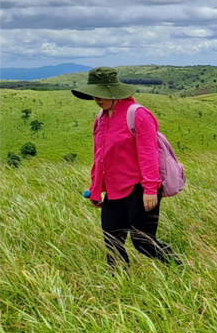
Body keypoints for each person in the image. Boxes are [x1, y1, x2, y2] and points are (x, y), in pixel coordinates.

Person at [72, 67, 185, 272]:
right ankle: (118, 287)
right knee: (112, 242)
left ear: (116, 91)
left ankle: (182, 268)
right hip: (114, 191)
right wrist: (96, 189)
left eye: (102, 93)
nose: (97, 98)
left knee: (143, 243)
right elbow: (100, 157)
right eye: (95, 93)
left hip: (140, 189)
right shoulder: (101, 117)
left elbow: (148, 152)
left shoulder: (138, 115)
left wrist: (151, 189)